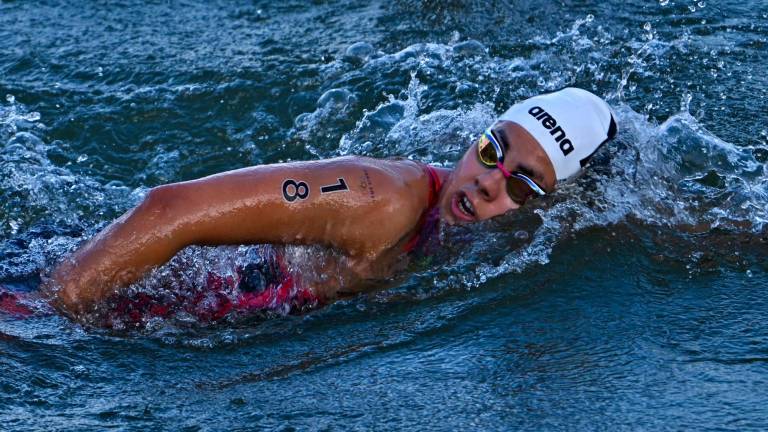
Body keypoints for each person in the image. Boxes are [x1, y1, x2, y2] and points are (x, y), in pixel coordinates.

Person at [40, 87, 617, 323]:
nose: (489, 181)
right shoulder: (380, 200)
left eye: (524, 186)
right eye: (492, 149)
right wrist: (49, 315)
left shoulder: (501, 235)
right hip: (82, 296)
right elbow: (168, 210)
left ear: (555, 202)